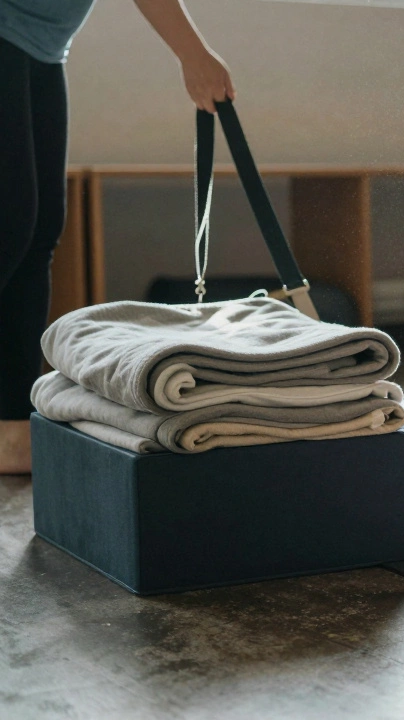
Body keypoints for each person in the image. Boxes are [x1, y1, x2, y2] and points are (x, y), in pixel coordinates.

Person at [0, 0, 234, 474]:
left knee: (39, 232)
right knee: (12, 226)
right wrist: (192, 52)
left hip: (44, 44)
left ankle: (11, 434)